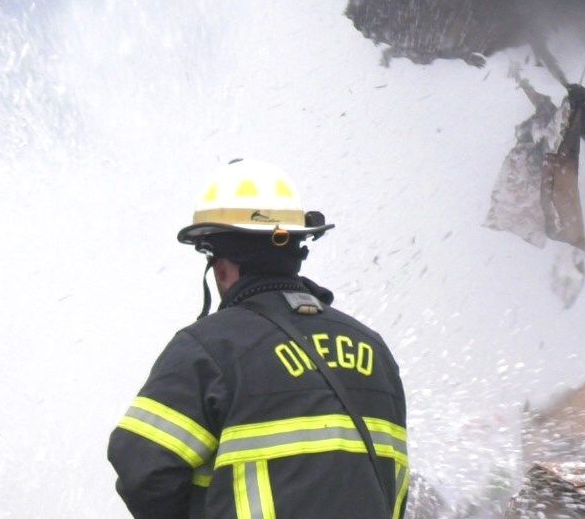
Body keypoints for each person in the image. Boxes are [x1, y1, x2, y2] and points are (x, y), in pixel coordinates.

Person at [109, 158, 409, 518]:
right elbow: (393, 484)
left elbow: (142, 469)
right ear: (296, 249)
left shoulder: (209, 349)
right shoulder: (374, 350)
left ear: (220, 266)